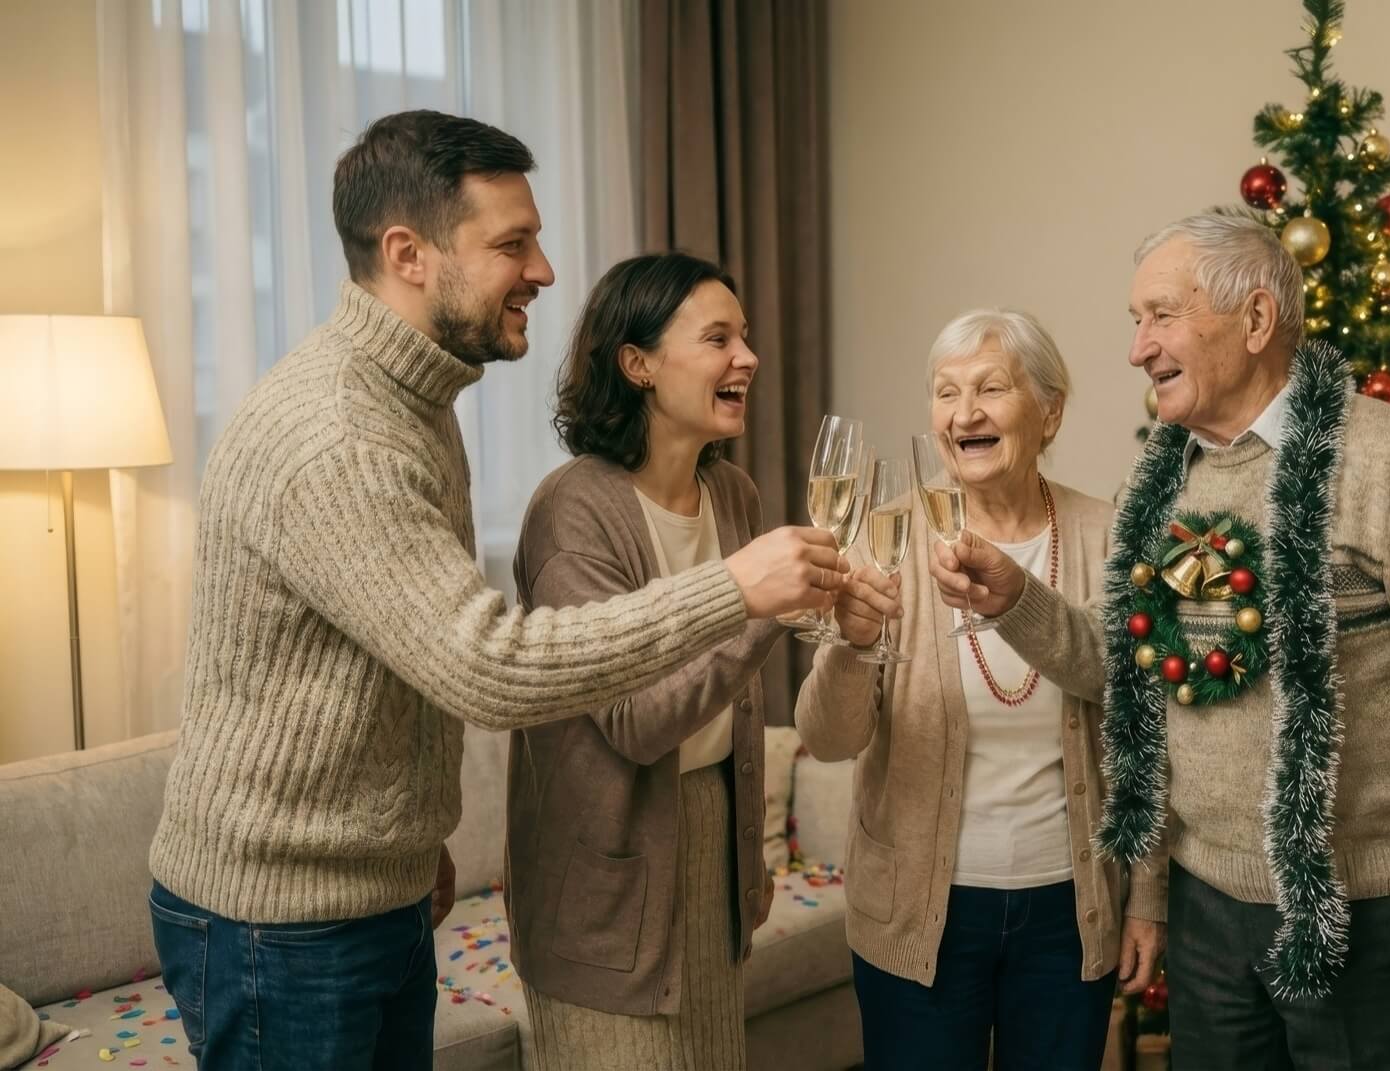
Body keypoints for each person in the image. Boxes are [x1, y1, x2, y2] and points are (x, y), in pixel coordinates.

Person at [146, 111, 843, 1071]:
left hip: (371, 892)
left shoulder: (416, 404)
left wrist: (411, 835)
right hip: (282, 921)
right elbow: (488, 664)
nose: (546, 271)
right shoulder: (342, 435)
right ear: (409, 253)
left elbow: (404, 648)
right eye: (513, 243)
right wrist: (737, 589)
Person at [930, 214, 1390, 1069]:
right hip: (1208, 909)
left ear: (1253, 322)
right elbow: (1127, 665)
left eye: (1161, 317)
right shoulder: (1168, 479)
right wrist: (1017, 599)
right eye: (1136, 322)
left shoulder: (1389, 460)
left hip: (1366, 909)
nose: (1138, 349)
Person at [799, 309, 1167, 1070]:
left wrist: (1147, 895)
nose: (963, 412)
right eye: (945, 392)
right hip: (919, 913)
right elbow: (828, 740)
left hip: (1070, 909)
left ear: (1051, 410)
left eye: (991, 388)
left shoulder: (1111, 535)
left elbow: (1147, 734)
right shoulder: (887, 535)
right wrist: (853, 644)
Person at [507, 252, 792, 1068]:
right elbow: (634, 722)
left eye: (746, 336)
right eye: (718, 338)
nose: (748, 357)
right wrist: (766, 608)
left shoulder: (733, 495)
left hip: (710, 842)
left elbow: (732, 707)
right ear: (637, 364)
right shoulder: (573, 513)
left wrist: (747, 862)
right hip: (605, 882)